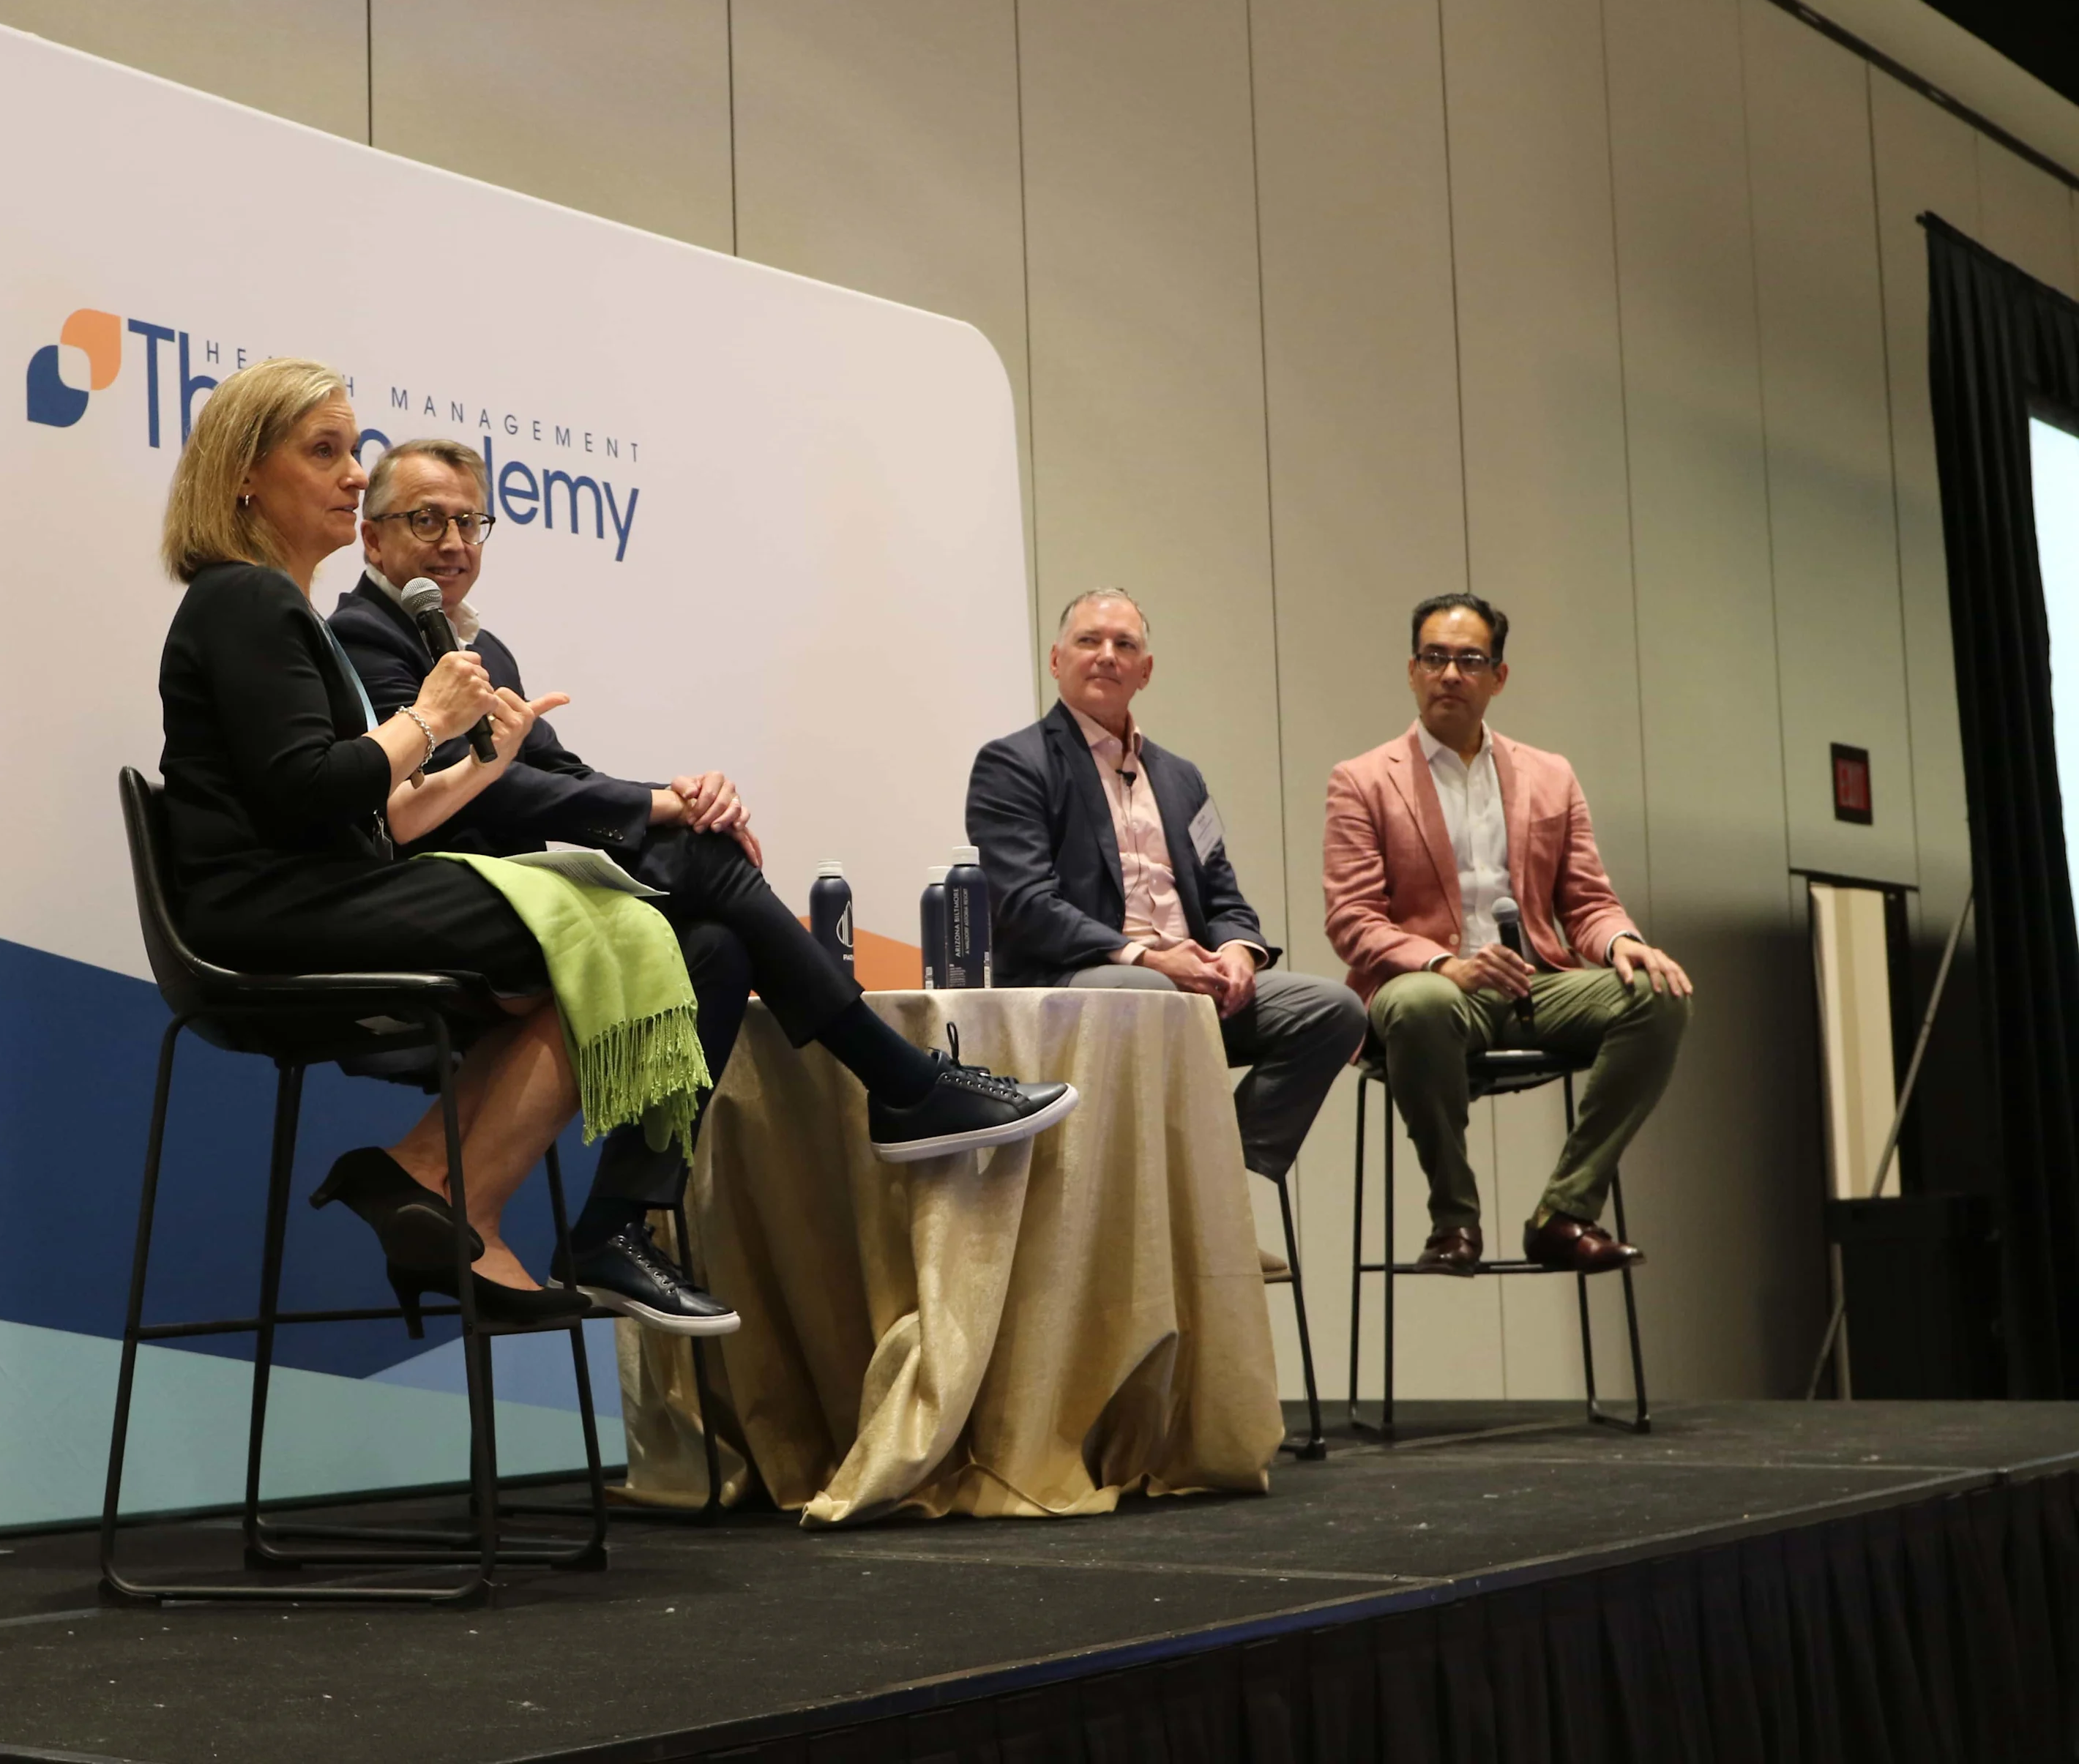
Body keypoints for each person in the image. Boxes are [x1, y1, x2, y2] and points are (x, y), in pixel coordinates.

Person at [330, 437, 1078, 1335]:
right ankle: (900, 1082)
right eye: (425, 521)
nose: (452, 541)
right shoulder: (361, 636)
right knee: (709, 862)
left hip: (527, 885)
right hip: (443, 900)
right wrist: (659, 808)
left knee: (716, 949)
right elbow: (468, 786)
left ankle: (612, 1225)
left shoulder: (477, 643)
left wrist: (680, 795)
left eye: (468, 521)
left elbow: (559, 770)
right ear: (373, 541)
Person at [156, 359, 614, 1329]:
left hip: (311, 890)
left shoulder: (284, 612)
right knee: (596, 920)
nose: (355, 474)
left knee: (594, 933)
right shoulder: (242, 599)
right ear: (244, 473)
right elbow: (307, 790)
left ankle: (434, 1186)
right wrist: (430, 717)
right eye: (324, 452)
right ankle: (435, 1187)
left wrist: (481, 761)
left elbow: (366, 815)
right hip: (266, 918)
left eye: (354, 452)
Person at [966, 588, 1364, 1264]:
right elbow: (1024, 905)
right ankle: (1169, 1219)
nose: (1107, 656)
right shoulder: (1015, 764)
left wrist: (1238, 953)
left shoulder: (1180, 777)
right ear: (1057, 660)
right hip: (1083, 982)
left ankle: (1211, 1197)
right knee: (1155, 1001)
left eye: (1125, 645)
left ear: (1145, 671)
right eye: (1090, 642)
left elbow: (1226, 896)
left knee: (1335, 1011)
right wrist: (1146, 959)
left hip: (1190, 979)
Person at [1322, 592, 1692, 1274]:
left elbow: (1587, 903)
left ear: (1499, 676)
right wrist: (1443, 965)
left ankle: (1565, 1211)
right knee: (1416, 1004)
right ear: (1411, 670)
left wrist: (1621, 943)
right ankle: (1454, 1220)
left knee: (1660, 994)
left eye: (1469, 660)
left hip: (1537, 987)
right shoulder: (1365, 780)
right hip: (1433, 994)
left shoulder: (1550, 776)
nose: (1450, 675)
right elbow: (1352, 920)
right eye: (1435, 658)